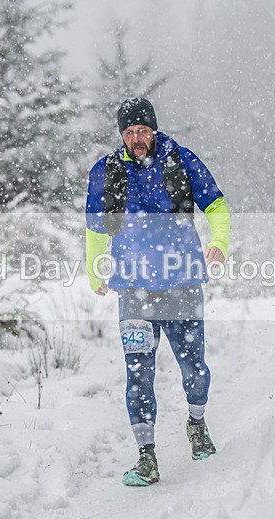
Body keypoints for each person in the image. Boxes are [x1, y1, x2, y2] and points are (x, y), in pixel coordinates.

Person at [85, 97, 230, 486]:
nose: (137, 138)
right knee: (138, 374)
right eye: (129, 132)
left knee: (194, 367)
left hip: (181, 283)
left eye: (143, 131)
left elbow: (216, 205)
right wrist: (93, 268)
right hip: (132, 291)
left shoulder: (179, 159)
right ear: (121, 134)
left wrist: (220, 241)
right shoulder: (107, 171)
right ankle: (146, 456)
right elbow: (96, 228)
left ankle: (196, 424)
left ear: (154, 129)